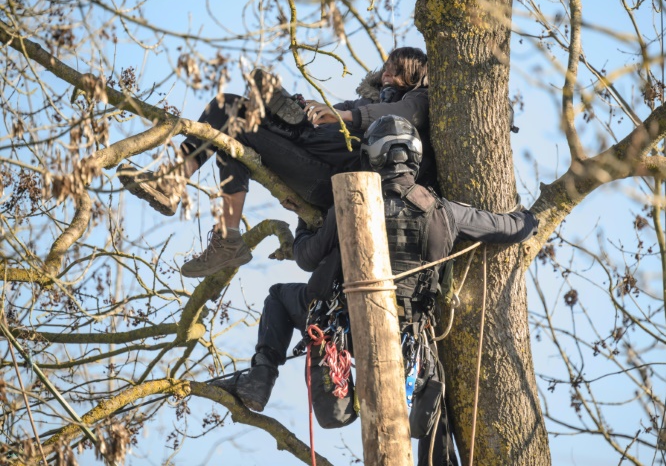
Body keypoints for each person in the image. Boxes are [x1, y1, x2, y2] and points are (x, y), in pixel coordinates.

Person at [213, 115, 539, 465]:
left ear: (370, 155)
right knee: (434, 416)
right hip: (408, 334)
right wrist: (531, 220)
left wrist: (305, 224)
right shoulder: (444, 211)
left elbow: (307, 259)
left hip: (343, 324)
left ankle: (260, 377)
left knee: (279, 296)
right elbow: (510, 228)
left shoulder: (350, 200)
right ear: (414, 156)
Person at [116, 47, 434, 278]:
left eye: (398, 68)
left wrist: (344, 117)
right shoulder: (361, 102)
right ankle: (222, 231)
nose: (388, 72)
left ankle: (287, 123)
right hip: (313, 168)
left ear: (415, 76)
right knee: (226, 119)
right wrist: (311, 111)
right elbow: (332, 115)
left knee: (327, 127)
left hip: (344, 181)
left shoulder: (415, 101)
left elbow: (404, 116)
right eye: (387, 66)